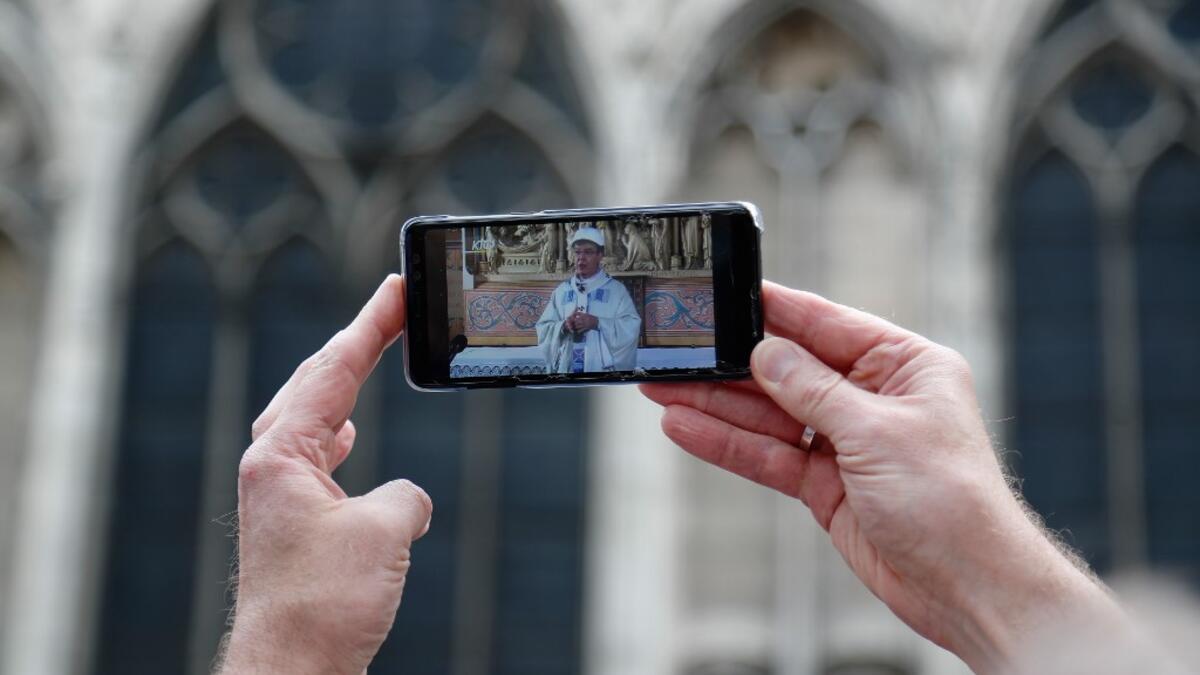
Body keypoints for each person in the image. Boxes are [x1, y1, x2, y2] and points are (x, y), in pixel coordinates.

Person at [218, 275, 1182, 675]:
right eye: (586, 257)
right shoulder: (568, 294)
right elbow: (557, 337)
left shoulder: (611, 292)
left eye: (594, 257)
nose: (589, 262)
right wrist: (989, 583)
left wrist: (288, 650)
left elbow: (634, 339)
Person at [534, 227, 641, 374]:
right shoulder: (562, 291)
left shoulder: (616, 291)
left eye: (588, 252)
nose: (581, 258)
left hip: (601, 372)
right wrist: (564, 326)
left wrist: (597, 323)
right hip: (567, 370)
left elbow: (632, 327)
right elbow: (543, 328)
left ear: (600, 255)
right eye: (577, 252)